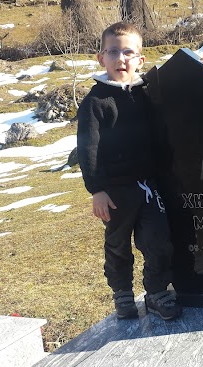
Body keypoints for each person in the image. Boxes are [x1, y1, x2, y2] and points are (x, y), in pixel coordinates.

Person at [77, 21, 181, 321]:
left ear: (140, 60)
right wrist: (96, 189)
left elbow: (177, 93)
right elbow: (88, 149)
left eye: (128, 52)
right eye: (113, 52)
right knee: (118, 243)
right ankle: (122, 292)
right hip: (115, 191)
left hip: (149, 187)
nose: (120, 59)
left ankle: (157, 292)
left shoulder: (147, 94)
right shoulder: (96, 103)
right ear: (101, 58)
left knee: (158, 240)